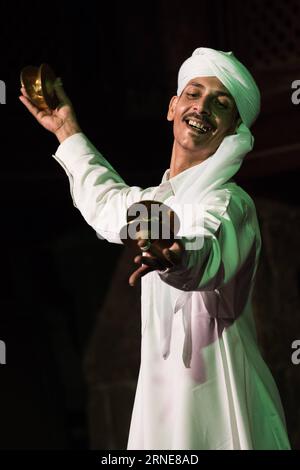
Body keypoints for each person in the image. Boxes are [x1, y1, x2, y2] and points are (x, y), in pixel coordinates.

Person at [19, 47, 291, 450]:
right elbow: (110, 204)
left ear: (233, 130)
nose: (202, 107)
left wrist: (179, 258)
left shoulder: (229, 202)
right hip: (161, 400)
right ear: (172, 108)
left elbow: (208, 248)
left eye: (221, 104)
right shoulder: (159, 204)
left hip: (218, 397)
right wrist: (65, 129)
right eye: (194, 94)